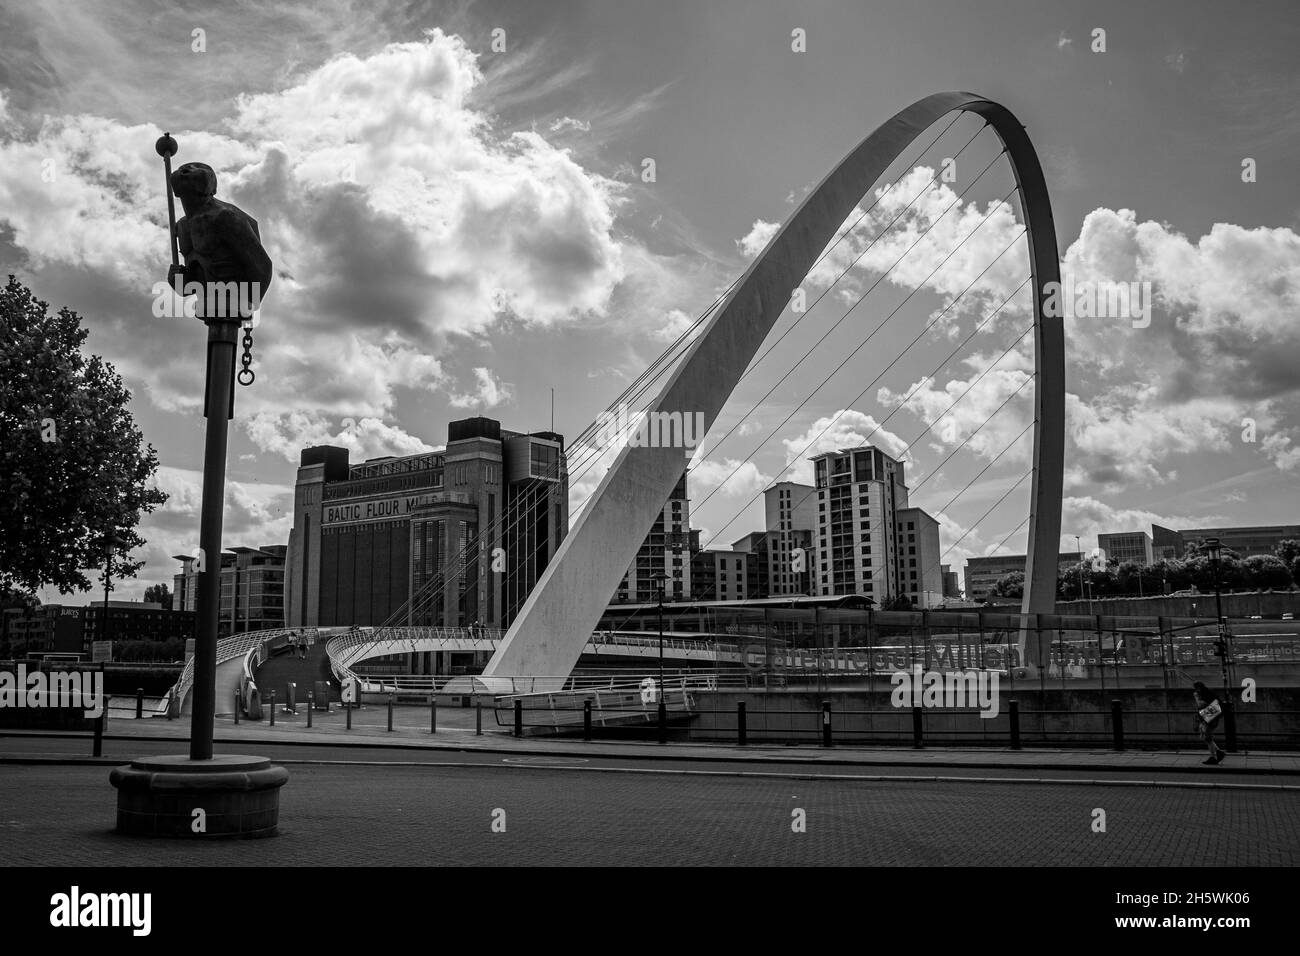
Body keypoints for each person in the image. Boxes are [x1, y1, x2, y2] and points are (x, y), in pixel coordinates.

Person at [1192, 681, 1227, 765]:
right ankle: (1218, 752)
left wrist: (1196, 697)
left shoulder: (1201, 694)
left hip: (1211, 714)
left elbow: (1201, 705)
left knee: (1208, 737)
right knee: (1207, 737)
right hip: (1214, 713)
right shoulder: (1208, 693)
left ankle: (1213, 757)